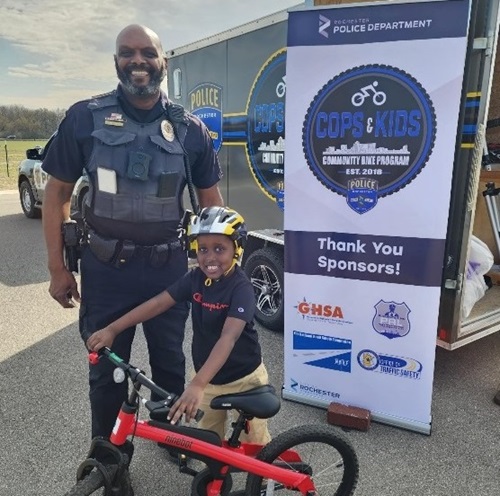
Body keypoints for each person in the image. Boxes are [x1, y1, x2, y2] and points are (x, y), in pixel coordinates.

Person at [41, 24, 224, 451]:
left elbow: (212, 207)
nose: (137, 61)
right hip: (106, 271)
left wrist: (218, 269)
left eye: (147, 53)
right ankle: (108, 453)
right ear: (116, 62)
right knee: (107, 370)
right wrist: (57, 268)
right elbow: (57, 195)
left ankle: (169, 437)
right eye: (127, 53)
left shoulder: (190, 130)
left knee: (169, 364)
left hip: (169, 272)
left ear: (164, 62)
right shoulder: (84, 118)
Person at [87, 206, 272, 444]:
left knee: (255, 445)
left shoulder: (241, 288)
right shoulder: (195, 279)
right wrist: (113, 329)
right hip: (209, 380)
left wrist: (196, 384)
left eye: (219, 249)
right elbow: (157, 303)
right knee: (208, 443)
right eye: (203, 249)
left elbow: (229, 337)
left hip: (245, 379)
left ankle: (264, 481)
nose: (210, 257)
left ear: (237, 249)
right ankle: (215, 479)